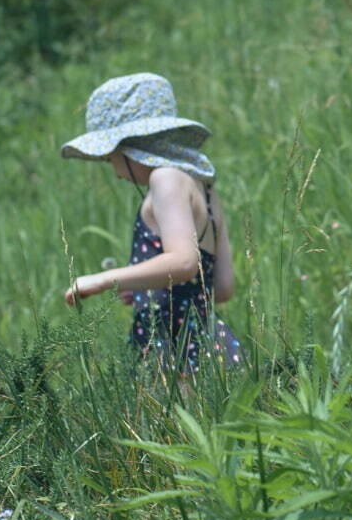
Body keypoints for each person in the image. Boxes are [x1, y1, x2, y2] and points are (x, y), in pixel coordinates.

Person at [60, 72, 238, 373]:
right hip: (210, 342)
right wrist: (144, 285)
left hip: (172, 348)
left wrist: (105, 279)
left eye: (109, 158)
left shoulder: (164, 179)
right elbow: (221, 288)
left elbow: (183, 262)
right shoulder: (204, 188)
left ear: (130, 148)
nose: (113, 170)